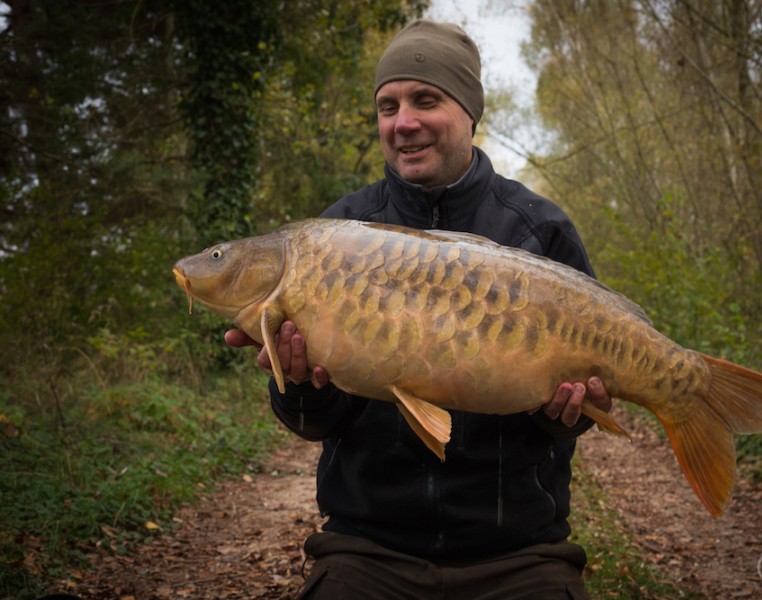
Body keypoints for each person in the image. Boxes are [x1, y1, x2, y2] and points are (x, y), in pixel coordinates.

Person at [226, 19, 611, 599]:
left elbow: (574, 417)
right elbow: (313, 424)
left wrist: (569, 411)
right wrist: (301, 385)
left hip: (521, 554)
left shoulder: (539, 231)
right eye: (387, 106)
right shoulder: (329, 239)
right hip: (366, 551)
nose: (403, 122)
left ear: (469, 111)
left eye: (424, 100)